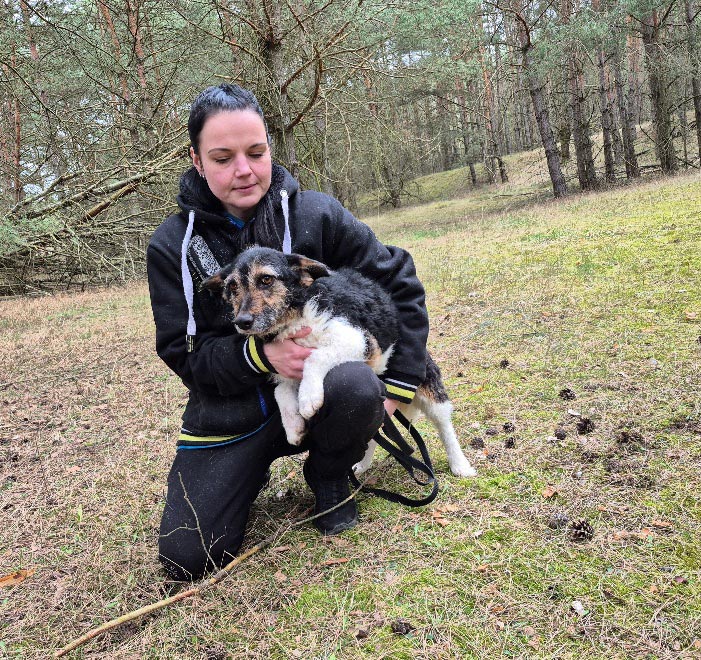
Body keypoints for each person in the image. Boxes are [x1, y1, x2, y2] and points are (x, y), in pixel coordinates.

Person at [146, 83, 429, 581]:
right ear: (196, 160)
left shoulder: (316, 213)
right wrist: (261, 358)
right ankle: (245, 469)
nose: (244, 170)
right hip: (228, 409)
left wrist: (399, 386)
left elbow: (398, 283)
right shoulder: (173, 245)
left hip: (325, 396)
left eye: (256, 153)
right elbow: (181, 352)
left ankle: (328, 473)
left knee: (356, 383)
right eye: (223, 158)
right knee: (187, 556)